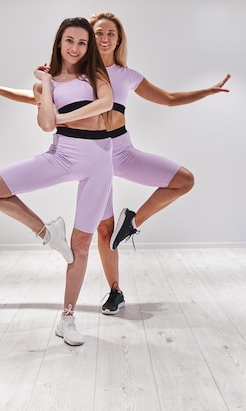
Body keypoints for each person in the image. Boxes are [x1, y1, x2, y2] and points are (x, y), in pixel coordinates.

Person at [0, 17, 113, 346]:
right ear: (59, 42)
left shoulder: (96, 75)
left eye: (82, 42)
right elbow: (46, 124)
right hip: (62, 157)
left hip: (99, 163)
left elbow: (104, 104)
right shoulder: (45, 84)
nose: (75, 48)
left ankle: (68, 318)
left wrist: (62, 115)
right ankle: (47, 232)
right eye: (69, 41)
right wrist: (45, 85)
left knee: (81, 246)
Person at [88, 11, 231, 315]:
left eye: (110, 33)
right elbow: (43, 99)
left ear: (119, 39)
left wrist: (207, 90)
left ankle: (133, 223)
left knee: (184, 180)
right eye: (99, 32)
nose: (104, 38)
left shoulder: (127, 75)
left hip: (123, 151)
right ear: (90, 36)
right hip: (92, 159)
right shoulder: (77, 74)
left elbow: (167, 98)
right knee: (103, 230)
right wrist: (2, 88)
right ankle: (115, 291)